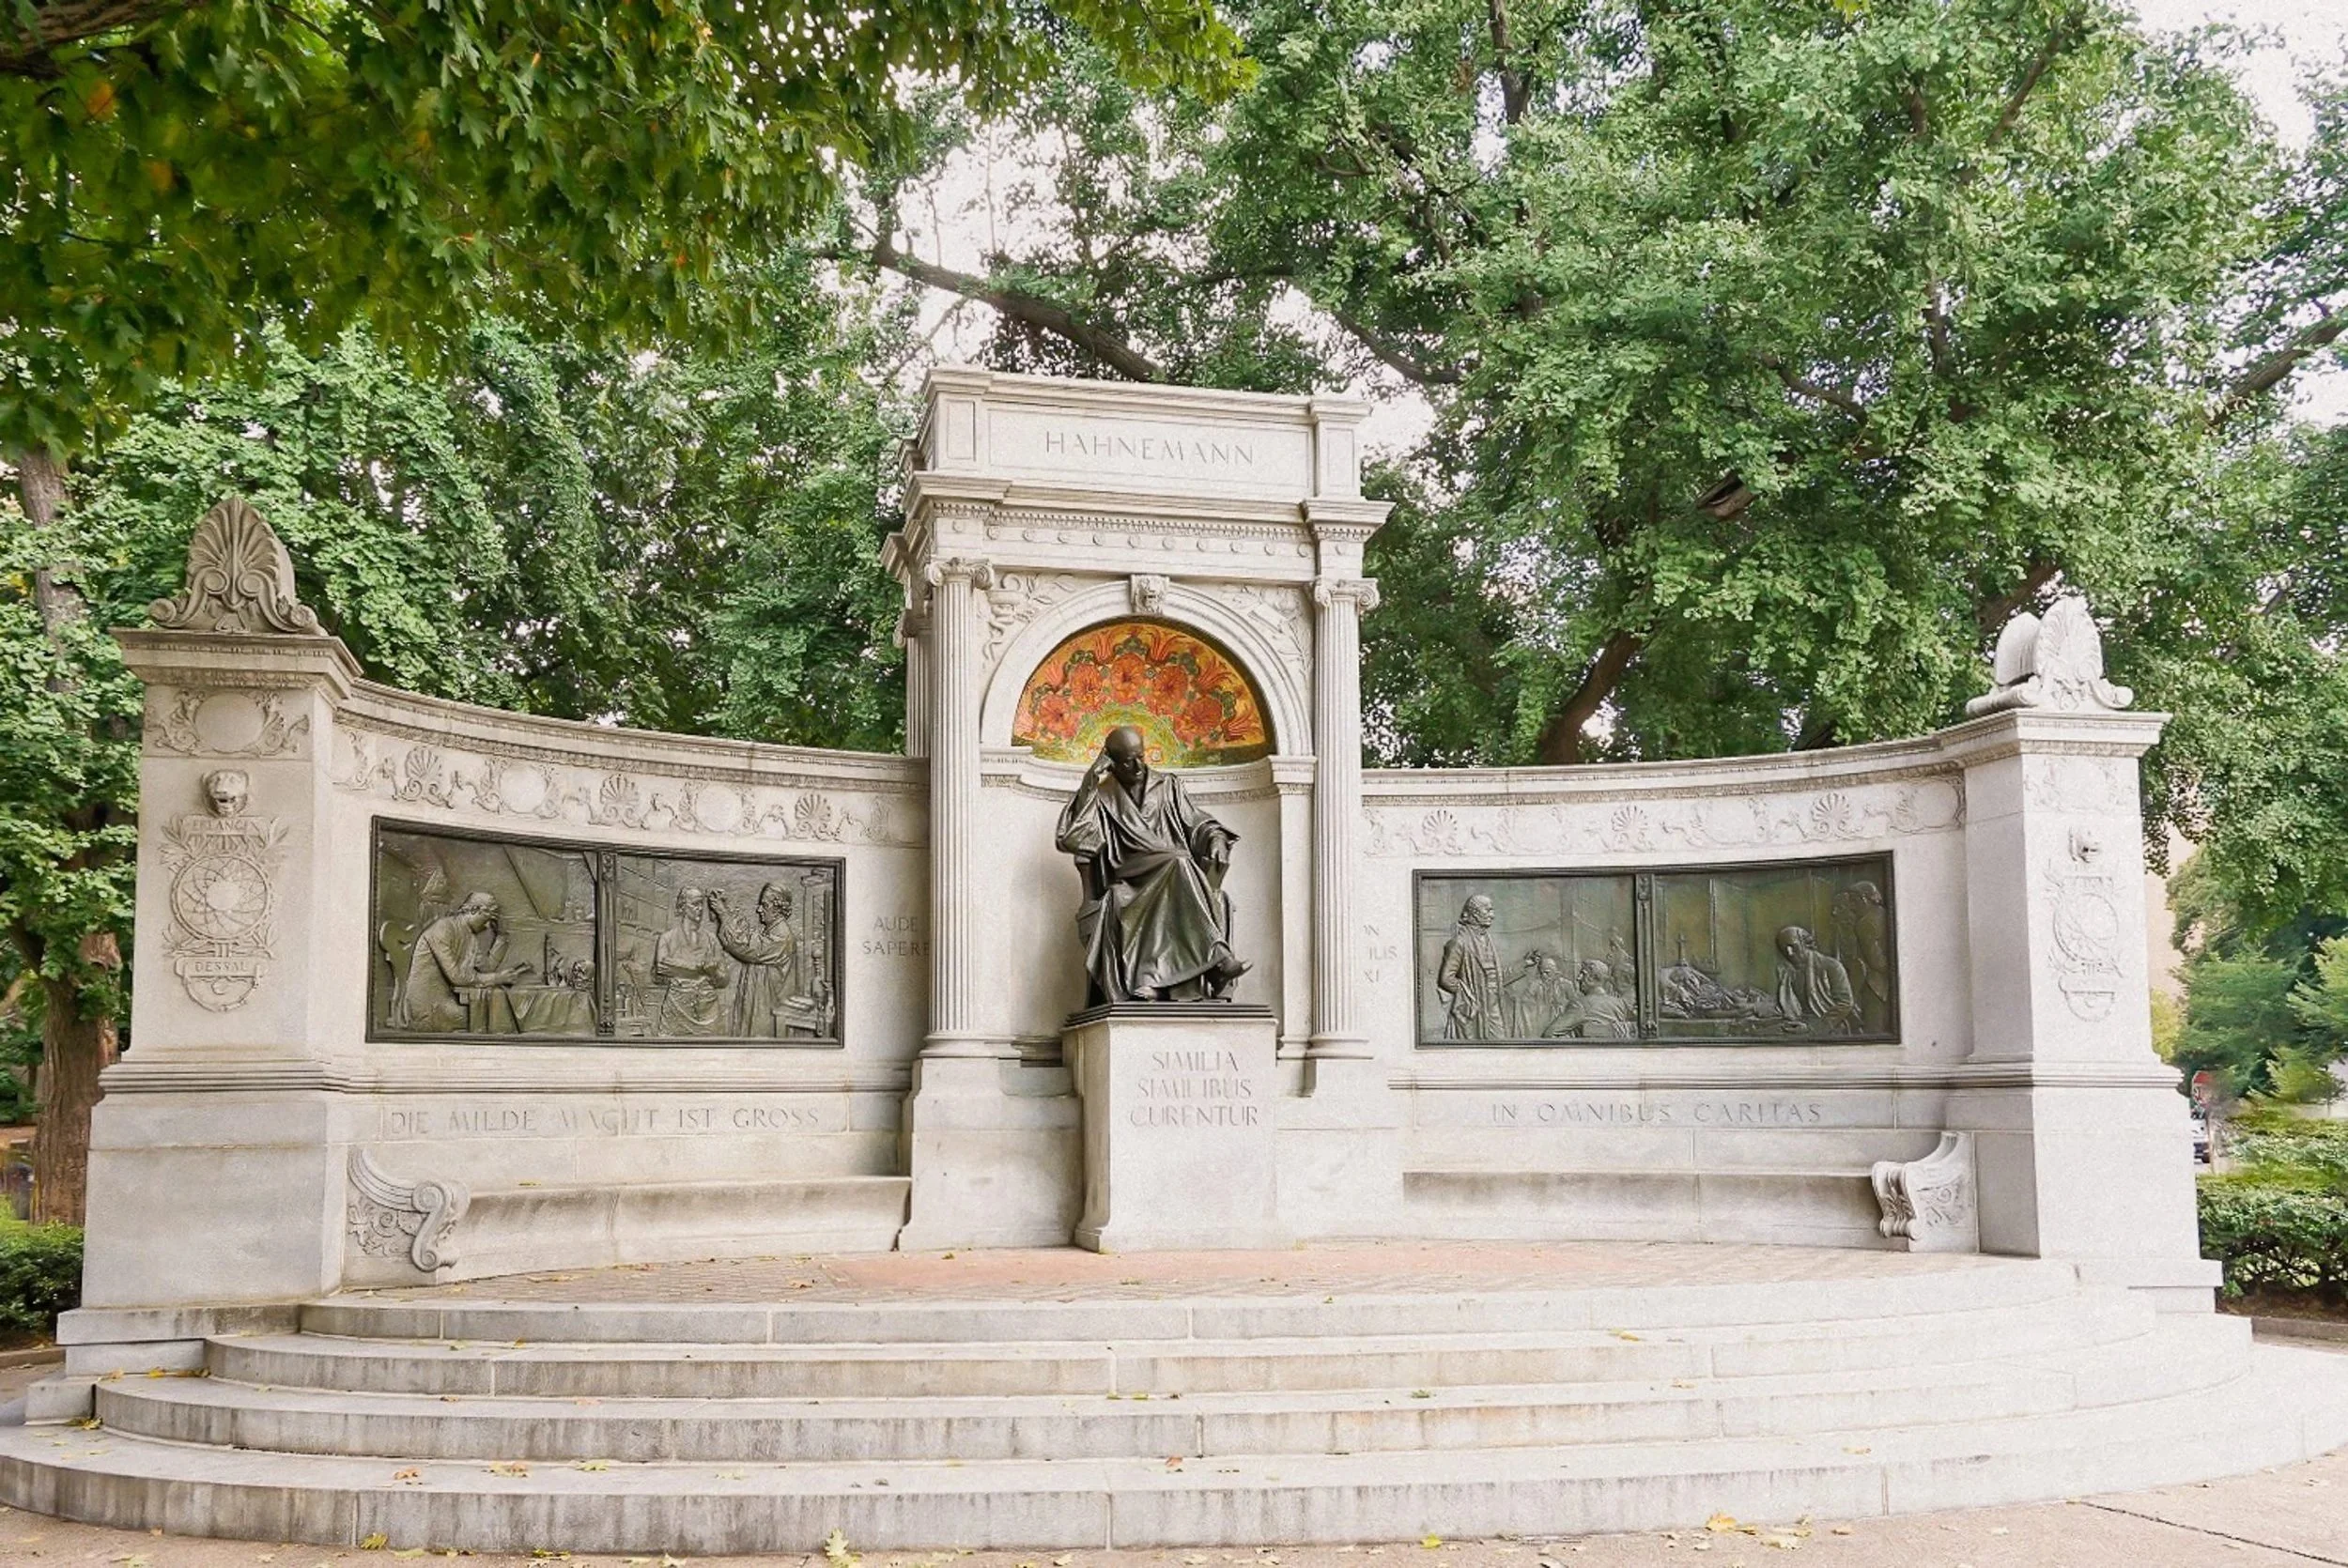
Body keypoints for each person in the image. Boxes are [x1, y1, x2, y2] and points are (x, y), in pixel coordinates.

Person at [1055, 725, 1251, 1003]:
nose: (1136, 766)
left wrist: (1216, 837)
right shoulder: (1102, 795)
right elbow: (1071, 837)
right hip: (1131, 873)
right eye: (1126, 760)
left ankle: (1154, 981)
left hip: (1171, 870)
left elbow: (1196, 822)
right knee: (1179, 862)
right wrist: (1091, 780)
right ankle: (1218, 961)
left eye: (1141, 757)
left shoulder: (1168, 785)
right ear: (1110, 761)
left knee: (1179, 866)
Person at [394, 891, 533, 1031]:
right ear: (474, 910)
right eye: (487, 920)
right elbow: (457, 976)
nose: (488, 926)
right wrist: (497, 978)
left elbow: (486, 968)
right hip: (427, 1005)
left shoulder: (470, 938)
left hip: (447, 1001)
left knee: (493, 1016)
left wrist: (502, 937)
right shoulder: (443, 929)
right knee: (488, 1019)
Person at [712, 883, 824, 1037]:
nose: (759, 910)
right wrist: (728, 909)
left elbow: (744, 945)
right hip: (759, 1009)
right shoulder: (770, 931)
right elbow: (749, 936)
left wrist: (723, 913)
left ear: (778, 909)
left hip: (767, 1015)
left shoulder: (781, 937)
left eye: (764, 905)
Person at [651, 886, 727, 1035]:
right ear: (683, 907)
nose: (700, 909)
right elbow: (661, 966)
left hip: (708, 1010)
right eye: (695, 904)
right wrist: (699, 968)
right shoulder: (667, 938)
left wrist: (714, 973)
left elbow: (724, 979)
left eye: (701, 905)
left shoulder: (712, 940)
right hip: (677, 1009)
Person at [1435, 894, 1505, 1039]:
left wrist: (1524, 965)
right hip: (1473, 1010)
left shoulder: (1488, 940)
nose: (1493, 915)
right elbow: (1446, 979)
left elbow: (1496, 977)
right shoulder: (1459, 943)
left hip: (1493, 1008)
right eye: (1488, 910)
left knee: (1500, 1046)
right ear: (1474, 914)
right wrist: (1468, 995)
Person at [1776, 925, 1861, 1033]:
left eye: (1793, 946)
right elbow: (1783, 1002)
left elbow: (1845, 1003)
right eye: (1784, 949)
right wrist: (1754, 1007)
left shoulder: (1832, 966)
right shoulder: (1788, 972)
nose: (1790, 953)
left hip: (1829, 1026)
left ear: (1804, 943)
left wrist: (1813, 1028)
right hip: (1797, 1022)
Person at [1547, 960, 1639, 1038]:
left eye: (1582, 974)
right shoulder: (1620, 1004)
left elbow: (1550, 1034)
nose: (1578, 979)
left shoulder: (1580, 1005)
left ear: (1592, 978)